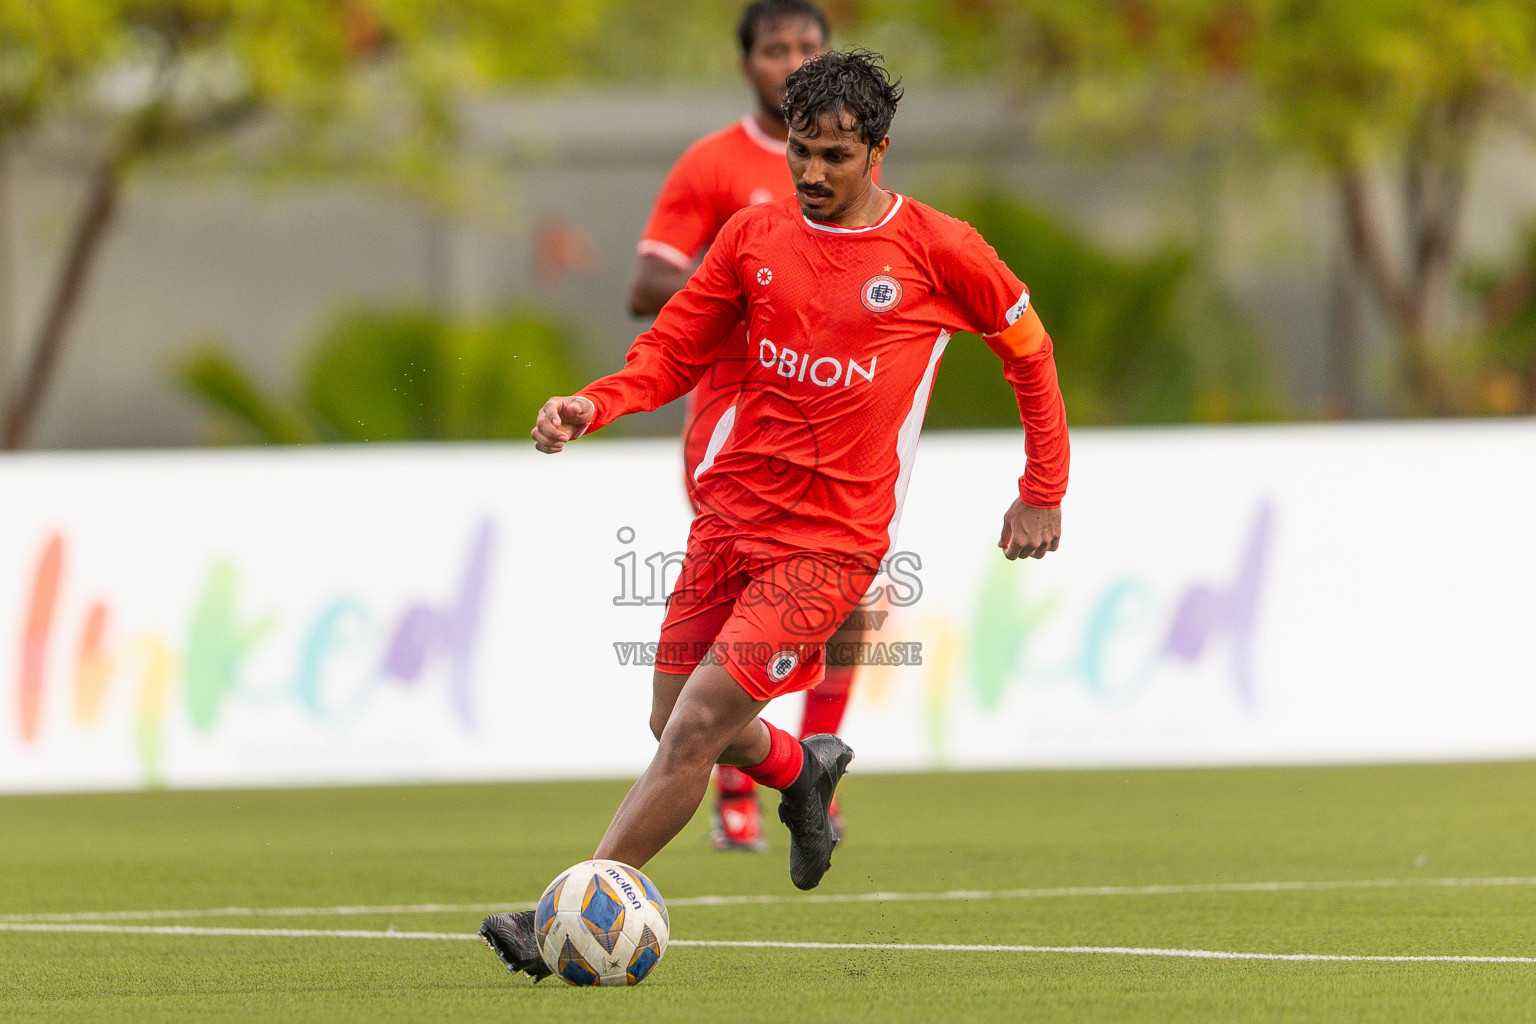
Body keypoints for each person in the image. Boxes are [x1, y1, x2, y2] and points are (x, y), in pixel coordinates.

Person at [482, 48, 1068, 981]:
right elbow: (674, 349)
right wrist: (593, 403)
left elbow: (1030, 359)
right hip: (729, 521)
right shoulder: (754, 237)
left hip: (829, 549)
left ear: (879, 151)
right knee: (672, 718)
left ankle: (563, 912)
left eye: (835, 156)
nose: (812, 173)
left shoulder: (943, 253)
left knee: (693, 728)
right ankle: (803, 773)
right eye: (800, 151)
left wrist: (1043, 488)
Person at [627, 0, 869, 854]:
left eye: (809, 45)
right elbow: (646, 280)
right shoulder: (717, 165)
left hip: (840, 426)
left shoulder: (855, 175)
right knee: (738, 611)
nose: (794, 59)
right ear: (749, 66)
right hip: (738, 419)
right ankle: (738, 787)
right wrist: (746, 282)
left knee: (853, 604)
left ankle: (811, 773)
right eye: (776, 49)